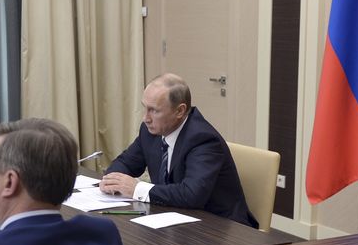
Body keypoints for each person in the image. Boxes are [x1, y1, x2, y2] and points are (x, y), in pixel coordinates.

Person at [99, 73, 257, 227]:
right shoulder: (150, 130)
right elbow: (126, 163)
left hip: (221, 228)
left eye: (154, 110)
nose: (145, 118)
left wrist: (137, 188)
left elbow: (191, 194)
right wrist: (112, 181)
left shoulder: (203, 139)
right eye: (144, 108)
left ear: (180, 111)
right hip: (175, 220)